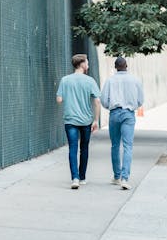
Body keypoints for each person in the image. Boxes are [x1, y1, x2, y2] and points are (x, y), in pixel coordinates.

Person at [56, 54, 101, 189]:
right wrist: (96, 120)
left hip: (70, 120)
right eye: (87, 62)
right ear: (82, 64)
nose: (88, 65)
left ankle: (74, 178)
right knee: (84, 149)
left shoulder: (65, 80)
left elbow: (59, 100)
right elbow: (97, 101)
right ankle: (82, 177)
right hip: (86, 120)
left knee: (72, 148)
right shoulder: (90, 81)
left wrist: (69, 97)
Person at [100, 57, 144, 190]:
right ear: (127, 66)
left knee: (114, 145)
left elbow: (103, 100)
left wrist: (111, 107)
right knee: (127, 146)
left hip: (114, 113)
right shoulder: (135, 80)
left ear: (115, 67)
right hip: (128, 114)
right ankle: (125, 178)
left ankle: (117, 176)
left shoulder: (110, 80)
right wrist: (132, 106)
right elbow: (140, 100)